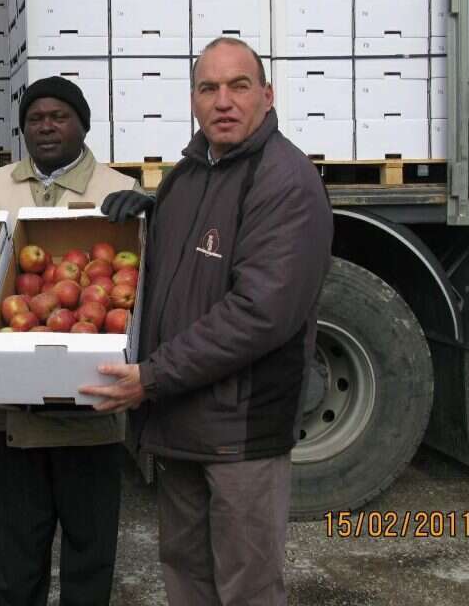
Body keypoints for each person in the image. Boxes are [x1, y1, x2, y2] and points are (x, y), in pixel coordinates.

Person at [83, 37, 334, 606]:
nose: (223, 101)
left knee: (246, 584)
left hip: (240, 430)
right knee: (187, 575)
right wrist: (147, 215)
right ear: (194, 100)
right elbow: (177, 279)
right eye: (208, 88)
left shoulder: (283, 180)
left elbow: (258, 313)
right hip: (182, 420)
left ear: (266, 96)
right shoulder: (191, 172)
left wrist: (151, 375)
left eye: (239, 86)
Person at [0, 76, 150, 606]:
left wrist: (150, 211)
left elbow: (146, 283)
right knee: (17, 552)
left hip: (92, 408)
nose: (46, 126)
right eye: (35, 118)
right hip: (12, 408)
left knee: (90, 553)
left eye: (59, 116)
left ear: (83, 124)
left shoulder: (116, 188)